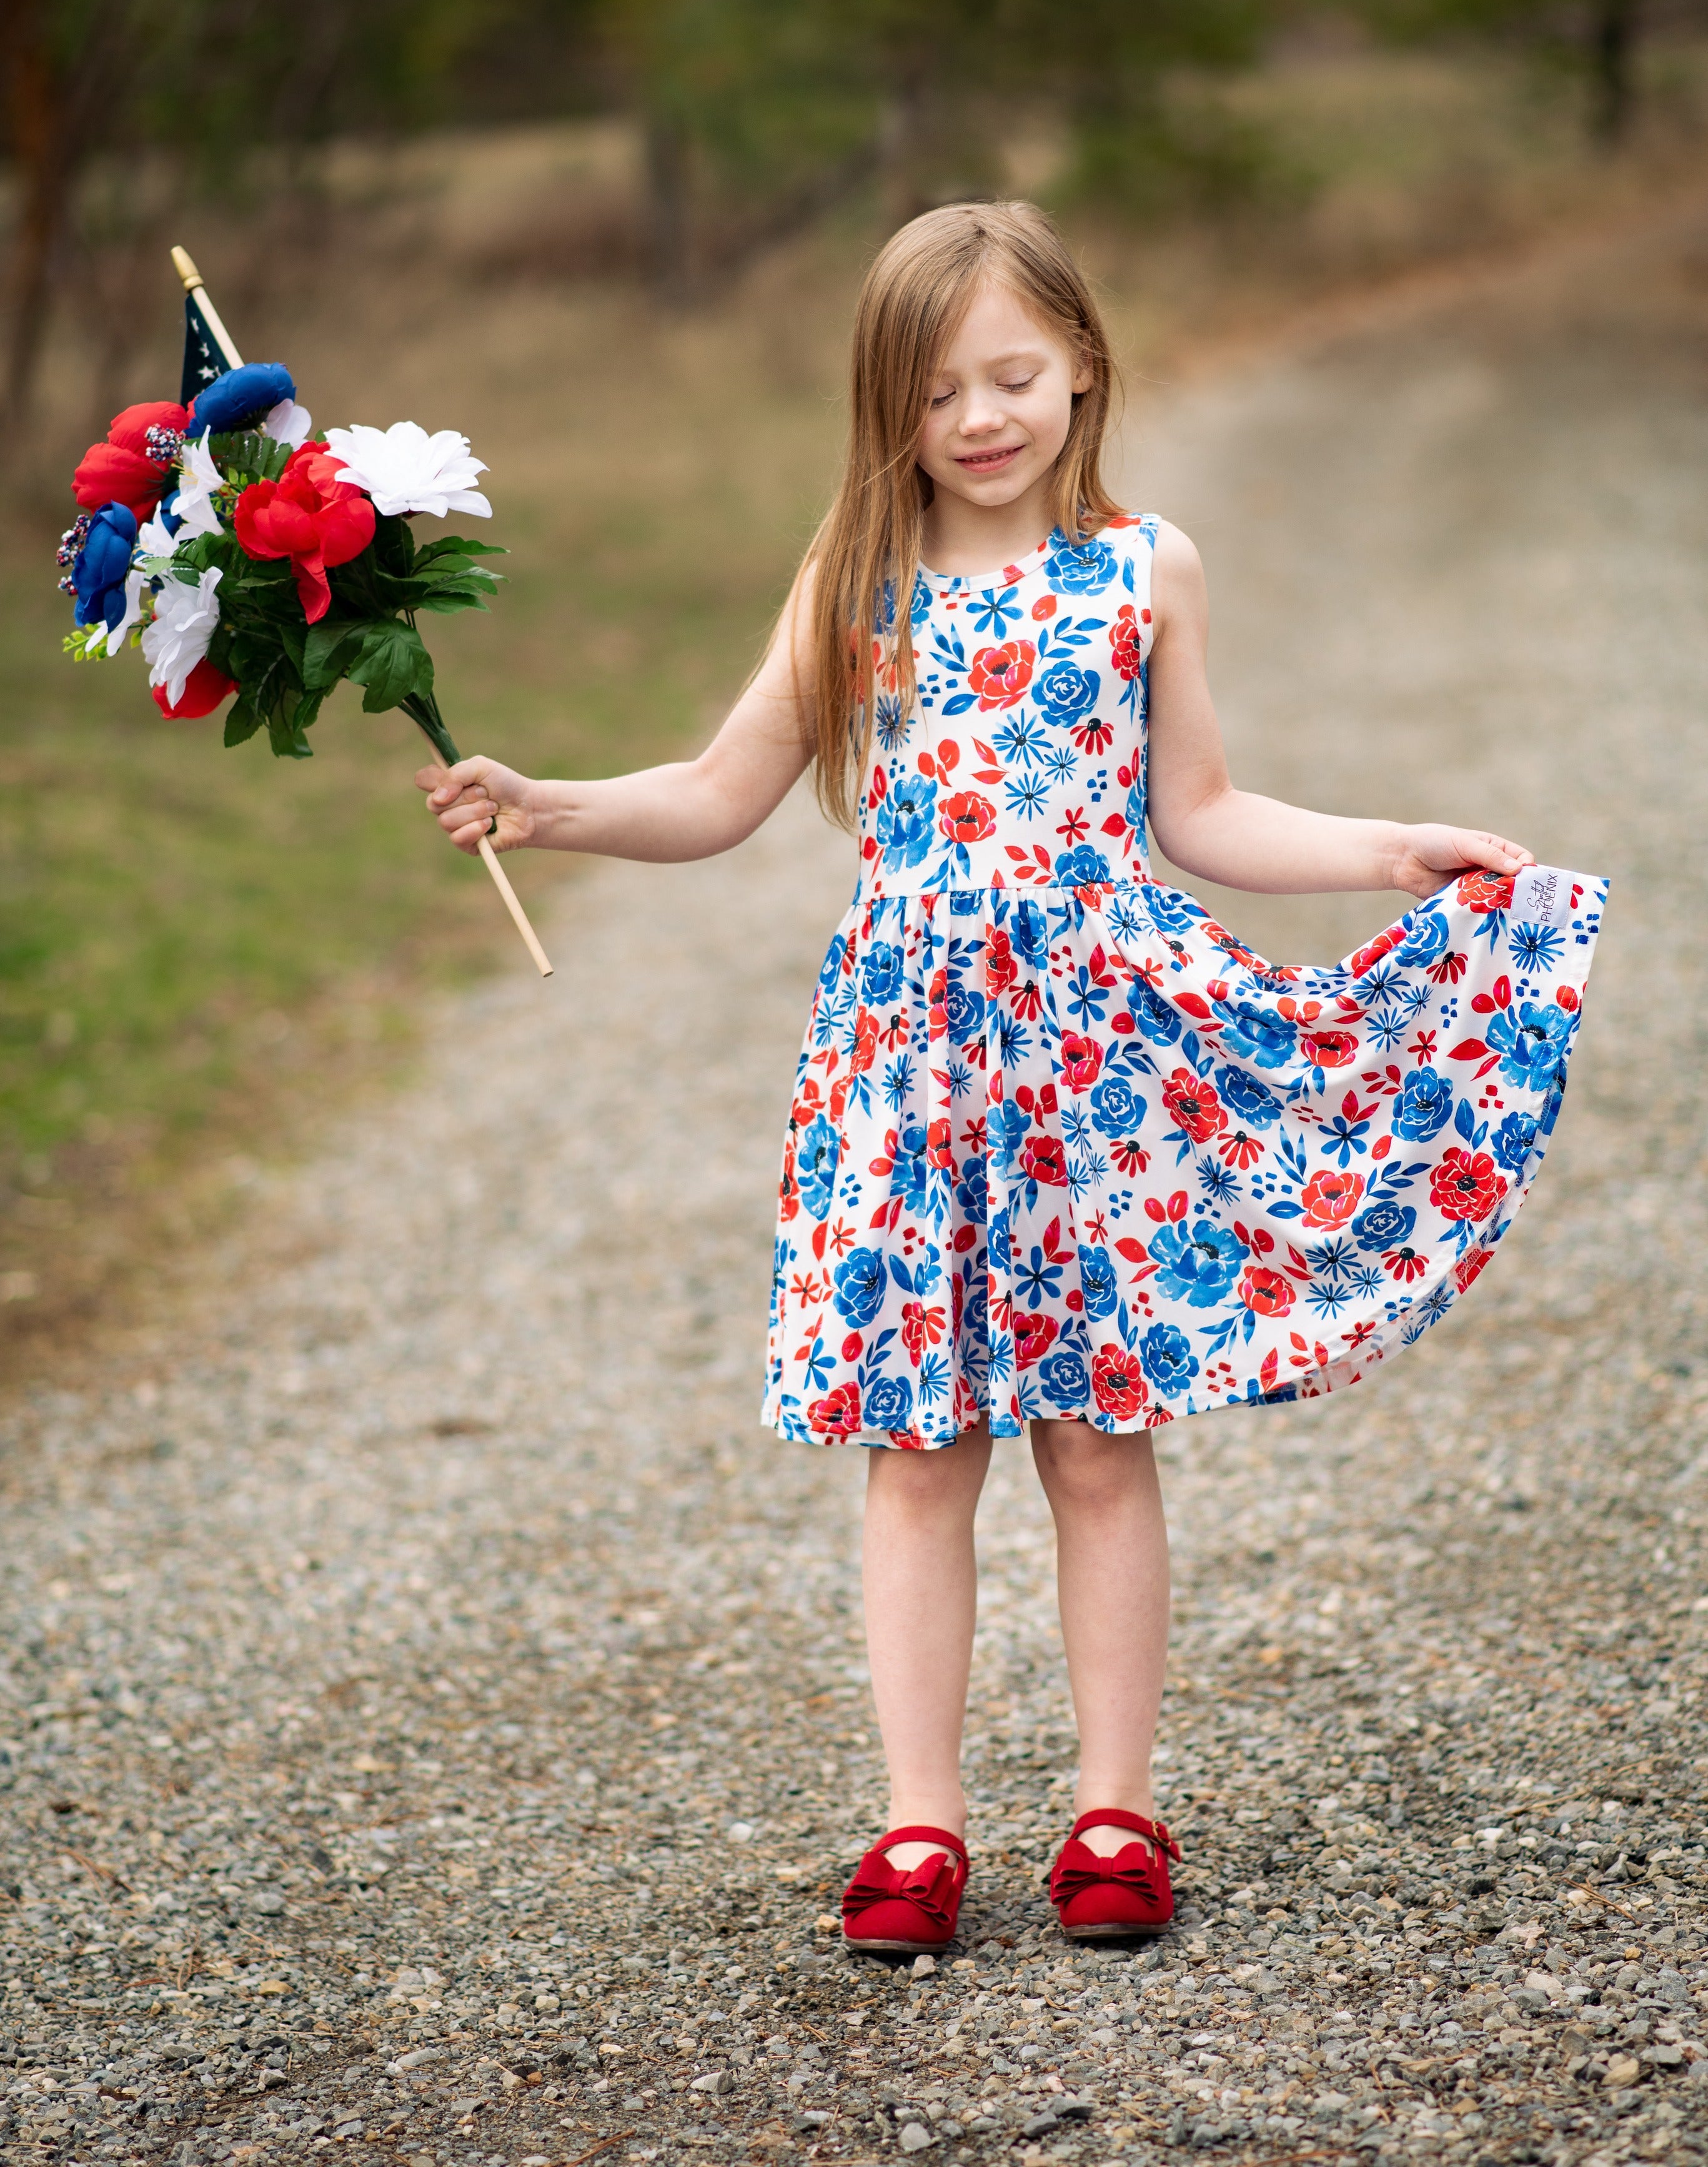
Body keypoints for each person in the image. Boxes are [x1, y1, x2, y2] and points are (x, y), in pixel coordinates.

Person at [420, 200, 1604, 1953]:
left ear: (1083, 371)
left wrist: (1388, 847)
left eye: (1013, 376)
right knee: (920, 1451)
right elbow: (723, 788)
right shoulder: (857, 582)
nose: (977, 417)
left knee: (1101, 1440)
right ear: (883, 407)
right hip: (914, 1065)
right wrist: (555, 805)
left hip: (1102, 1057)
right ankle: (920, 1829)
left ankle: (1116, 1811)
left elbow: (1202, 812)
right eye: (935, 389)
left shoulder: (1145, 570)